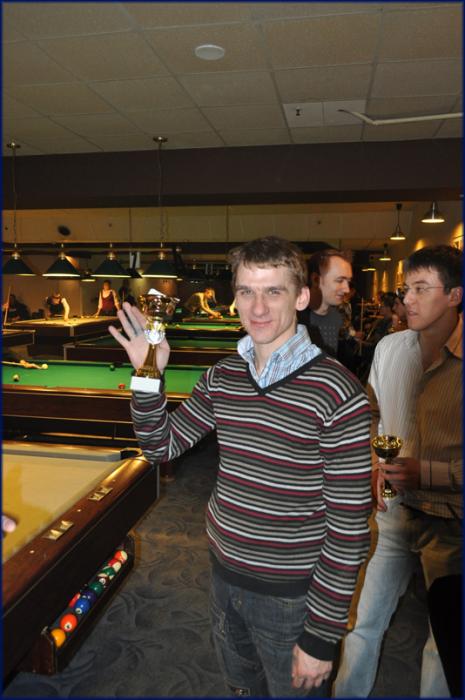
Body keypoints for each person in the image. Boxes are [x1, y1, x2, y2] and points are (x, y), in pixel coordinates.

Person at [109, 236, 373, 697]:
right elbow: (161, 446)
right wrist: (148, 371)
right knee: (242, 690)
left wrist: (321, 635)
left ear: (302, 297)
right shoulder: (224, 376)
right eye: (247, 291)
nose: (258, 307)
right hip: (222, 577)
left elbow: (349, 528)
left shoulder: (337, 392)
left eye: (274, 291)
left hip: (293, 598)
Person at [333, 244, 463, 698]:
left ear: (454, 295)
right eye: (407, 288)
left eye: (421, 289)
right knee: (362, 621)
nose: (407, 298)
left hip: (451, 527)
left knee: (443, 643)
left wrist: (426, 473)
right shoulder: (389, 348)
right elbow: (372, 412)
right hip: (392, 515)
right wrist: (375, 459)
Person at [297, 249, 353, 357]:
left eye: (348, 282)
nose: (347, 289)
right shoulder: (294, 319)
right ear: (315, 279)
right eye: (339, 280)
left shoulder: (337, 317)